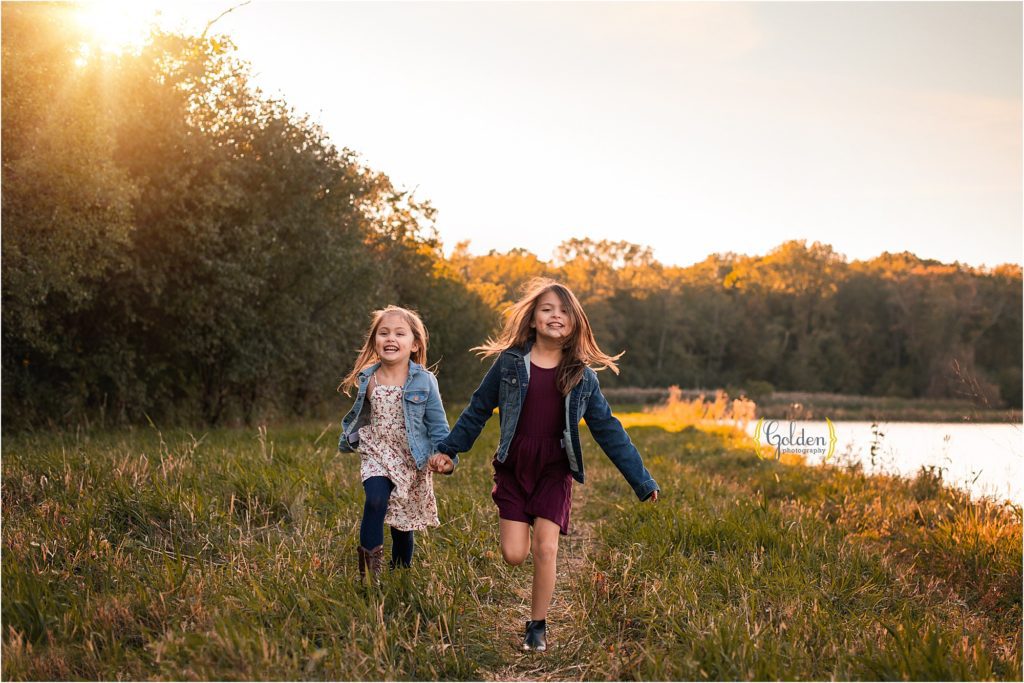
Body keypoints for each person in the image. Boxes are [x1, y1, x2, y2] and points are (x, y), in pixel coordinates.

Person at [431, 278, 660, 651]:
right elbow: (477, 409)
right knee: (514, 554)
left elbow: (609, 431)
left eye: (565, 311)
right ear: (534, 319)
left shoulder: (582, 376)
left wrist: (642, 481)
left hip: (555, 468)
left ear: (575, 322)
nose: (556, 316)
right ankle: (529, 592)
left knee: (546, 548)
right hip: (514, 464)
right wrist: (449, 450)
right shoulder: (509, 363)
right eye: (547, 309)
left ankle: (537, 625)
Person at [338, 306, 455, 580]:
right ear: (375, 341)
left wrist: (446, 457)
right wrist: (351, 438)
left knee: (403, 520)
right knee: (376, 500)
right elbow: (361, 415)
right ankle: (369, 576)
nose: (391, 338)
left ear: (414, 344)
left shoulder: (425, 381)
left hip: (410, 457)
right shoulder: (368, 378)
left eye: (399, 333)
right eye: (384, 333)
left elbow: (438, 425)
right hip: (376, 451)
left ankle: (401, 573)